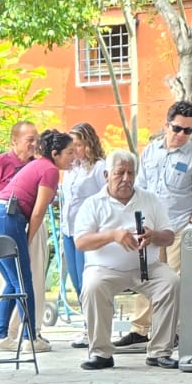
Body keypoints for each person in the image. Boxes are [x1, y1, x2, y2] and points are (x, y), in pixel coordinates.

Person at [74, 149, 180, 370]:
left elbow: (169, 236)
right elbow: (81, 242)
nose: (126, 179)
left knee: (170, 282)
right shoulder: (93, 203)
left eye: (131, 173)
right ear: (106, 175)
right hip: (105, 269)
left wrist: (153, 236)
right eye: (119, 173)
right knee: (93, 286)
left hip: (146, 266)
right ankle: (101, 352)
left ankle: (160, 351)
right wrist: (112, 235)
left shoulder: (149, 200)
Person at [120, 101, 192, 352]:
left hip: (179, 227)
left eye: (188, 131)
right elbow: (140, 188)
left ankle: (174, 331)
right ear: (166, 125)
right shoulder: (150, 152)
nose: (181, 135)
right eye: (177, 128)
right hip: (150, 227)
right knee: (145, 275)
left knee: (174, 280)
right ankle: (140, 330)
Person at [0, 129, 75, 351]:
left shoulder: (36, 165)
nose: (74, 157)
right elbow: (37, 213)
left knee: (13, 283)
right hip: (6, 218)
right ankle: (30, 338)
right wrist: (28, 239)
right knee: (25, 281)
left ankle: (1, 334)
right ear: (56, 153)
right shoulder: (50, 170)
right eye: (70, 152)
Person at [61, 123, 107, 348]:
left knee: (87, 279)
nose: (75, 150)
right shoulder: (70, 169)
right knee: (77, 282)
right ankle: (87, 325)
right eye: (72, 146)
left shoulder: (98, 168)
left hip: (87, 231)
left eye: (78, 145)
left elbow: (106, 197)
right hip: (68, 229)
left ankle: (94, 328)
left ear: (88, 144)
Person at [0, 120, 39, 203]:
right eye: (30, 139)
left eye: (37, 139)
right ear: (14, 141)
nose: (35, 143)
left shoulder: (37, 165)